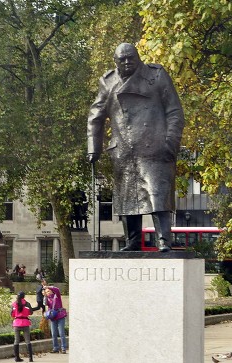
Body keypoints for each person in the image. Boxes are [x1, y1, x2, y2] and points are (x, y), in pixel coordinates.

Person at [87, 42, 185, 252]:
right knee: (128, 198)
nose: (127, 62)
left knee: (157, 194)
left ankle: (163, 241)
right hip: (124, 149)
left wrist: (171, 142)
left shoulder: (156, 75)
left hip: (155, 147)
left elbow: (175, 112)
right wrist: (93, 147)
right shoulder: (108, 82)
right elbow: (95, 116)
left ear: (138, 57)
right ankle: (132, 241)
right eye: (122, 59)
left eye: (131, 57)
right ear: (115, 61)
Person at [11, 292, 36, 362]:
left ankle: (17, 358)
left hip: (17, 323)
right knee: (28, 341)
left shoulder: (14, 304)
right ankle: (30, 358)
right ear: (24, 296)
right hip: (25, 323)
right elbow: (30, 312)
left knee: (16, 341)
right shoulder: (27, 304)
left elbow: (12, 314)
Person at [43, 285, 68, 354]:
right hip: (53, 317)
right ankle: (55, 348)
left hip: (60, 316)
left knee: (61, 333)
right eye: (46, 292)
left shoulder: (57, 296)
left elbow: (57, 289)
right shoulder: (47, 298)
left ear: (51, 291)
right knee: (54, 333)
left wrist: (47, 286)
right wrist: (44, 296)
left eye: (48, 291)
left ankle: (63, 348)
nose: (47, 293)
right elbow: (45, 304)